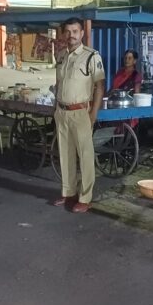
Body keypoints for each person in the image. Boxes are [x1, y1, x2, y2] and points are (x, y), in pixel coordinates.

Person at [53, 17, 106, 213]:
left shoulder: (92, 56)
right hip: (62, 112)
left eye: (75, 31)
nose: (71, 35)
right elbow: (59, 84)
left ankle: (85, 197)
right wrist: (55, 108)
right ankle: (69, 192)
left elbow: (100, 87)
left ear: (82, 33)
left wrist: (93, 113)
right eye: (68, 32)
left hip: (81, 112)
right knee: (65, 154)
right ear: (63, 34)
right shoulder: (61, 56)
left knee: (85, 155)